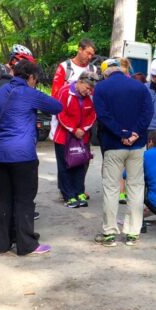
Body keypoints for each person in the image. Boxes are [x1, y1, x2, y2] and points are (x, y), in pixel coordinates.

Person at [0, 59, 62, 255]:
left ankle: (2, 243)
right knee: (24, 199)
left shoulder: (0, 91)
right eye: (35, 80)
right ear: (31, 77)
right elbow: (57, 107)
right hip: (22, 154)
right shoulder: (30, 93)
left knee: (3, 198)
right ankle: (26, 244)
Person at [93, 58, 153, 247]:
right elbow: (148, 113)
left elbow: (103, 116)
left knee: (111, 188)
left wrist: (121, 133)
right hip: (137, 146)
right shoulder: (139, 87)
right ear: (122, 70)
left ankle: (110, 233)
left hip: (113, 144)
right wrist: (134, 133)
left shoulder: (101, 89)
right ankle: (132, 233)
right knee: (135, 187)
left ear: (105, 73)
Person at [54, 71, 98, 208]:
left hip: (82, 136)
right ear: (79, 82)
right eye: (87, 87)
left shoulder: (90, 95)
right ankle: (68, 195)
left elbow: (93, 114)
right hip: (64, 136)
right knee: (65, 166)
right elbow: (60, 112)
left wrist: (83, 129)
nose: (88, 91)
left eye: (91, 89)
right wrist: (73, 129)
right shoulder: (65, 91)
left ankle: (79, 192)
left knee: (80, 164)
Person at [50, 39, 97, 139]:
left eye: (92, 55)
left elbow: (93, 97)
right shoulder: (65, 67)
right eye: (88, 53)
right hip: (63, 126)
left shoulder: (93, 69)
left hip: (83, 130)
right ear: (80, 49)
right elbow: (55, 96)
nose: (89, 57)